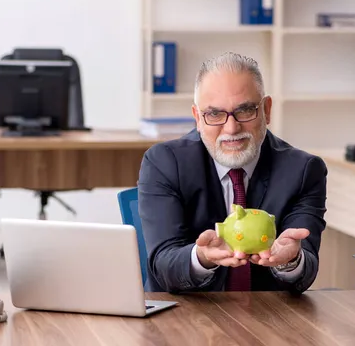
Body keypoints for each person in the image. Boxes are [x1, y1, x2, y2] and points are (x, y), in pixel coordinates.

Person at [137, 52, 328, 294]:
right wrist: (202, 258)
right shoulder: (164, 163)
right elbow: (163, 264)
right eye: (214, 114)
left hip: (268, 319)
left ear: (266, 110)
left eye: (245, 110)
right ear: (197, 118)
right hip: (184, 315)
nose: (231, 128)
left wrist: (291, 261)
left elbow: (305, 270)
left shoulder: (304, 170)